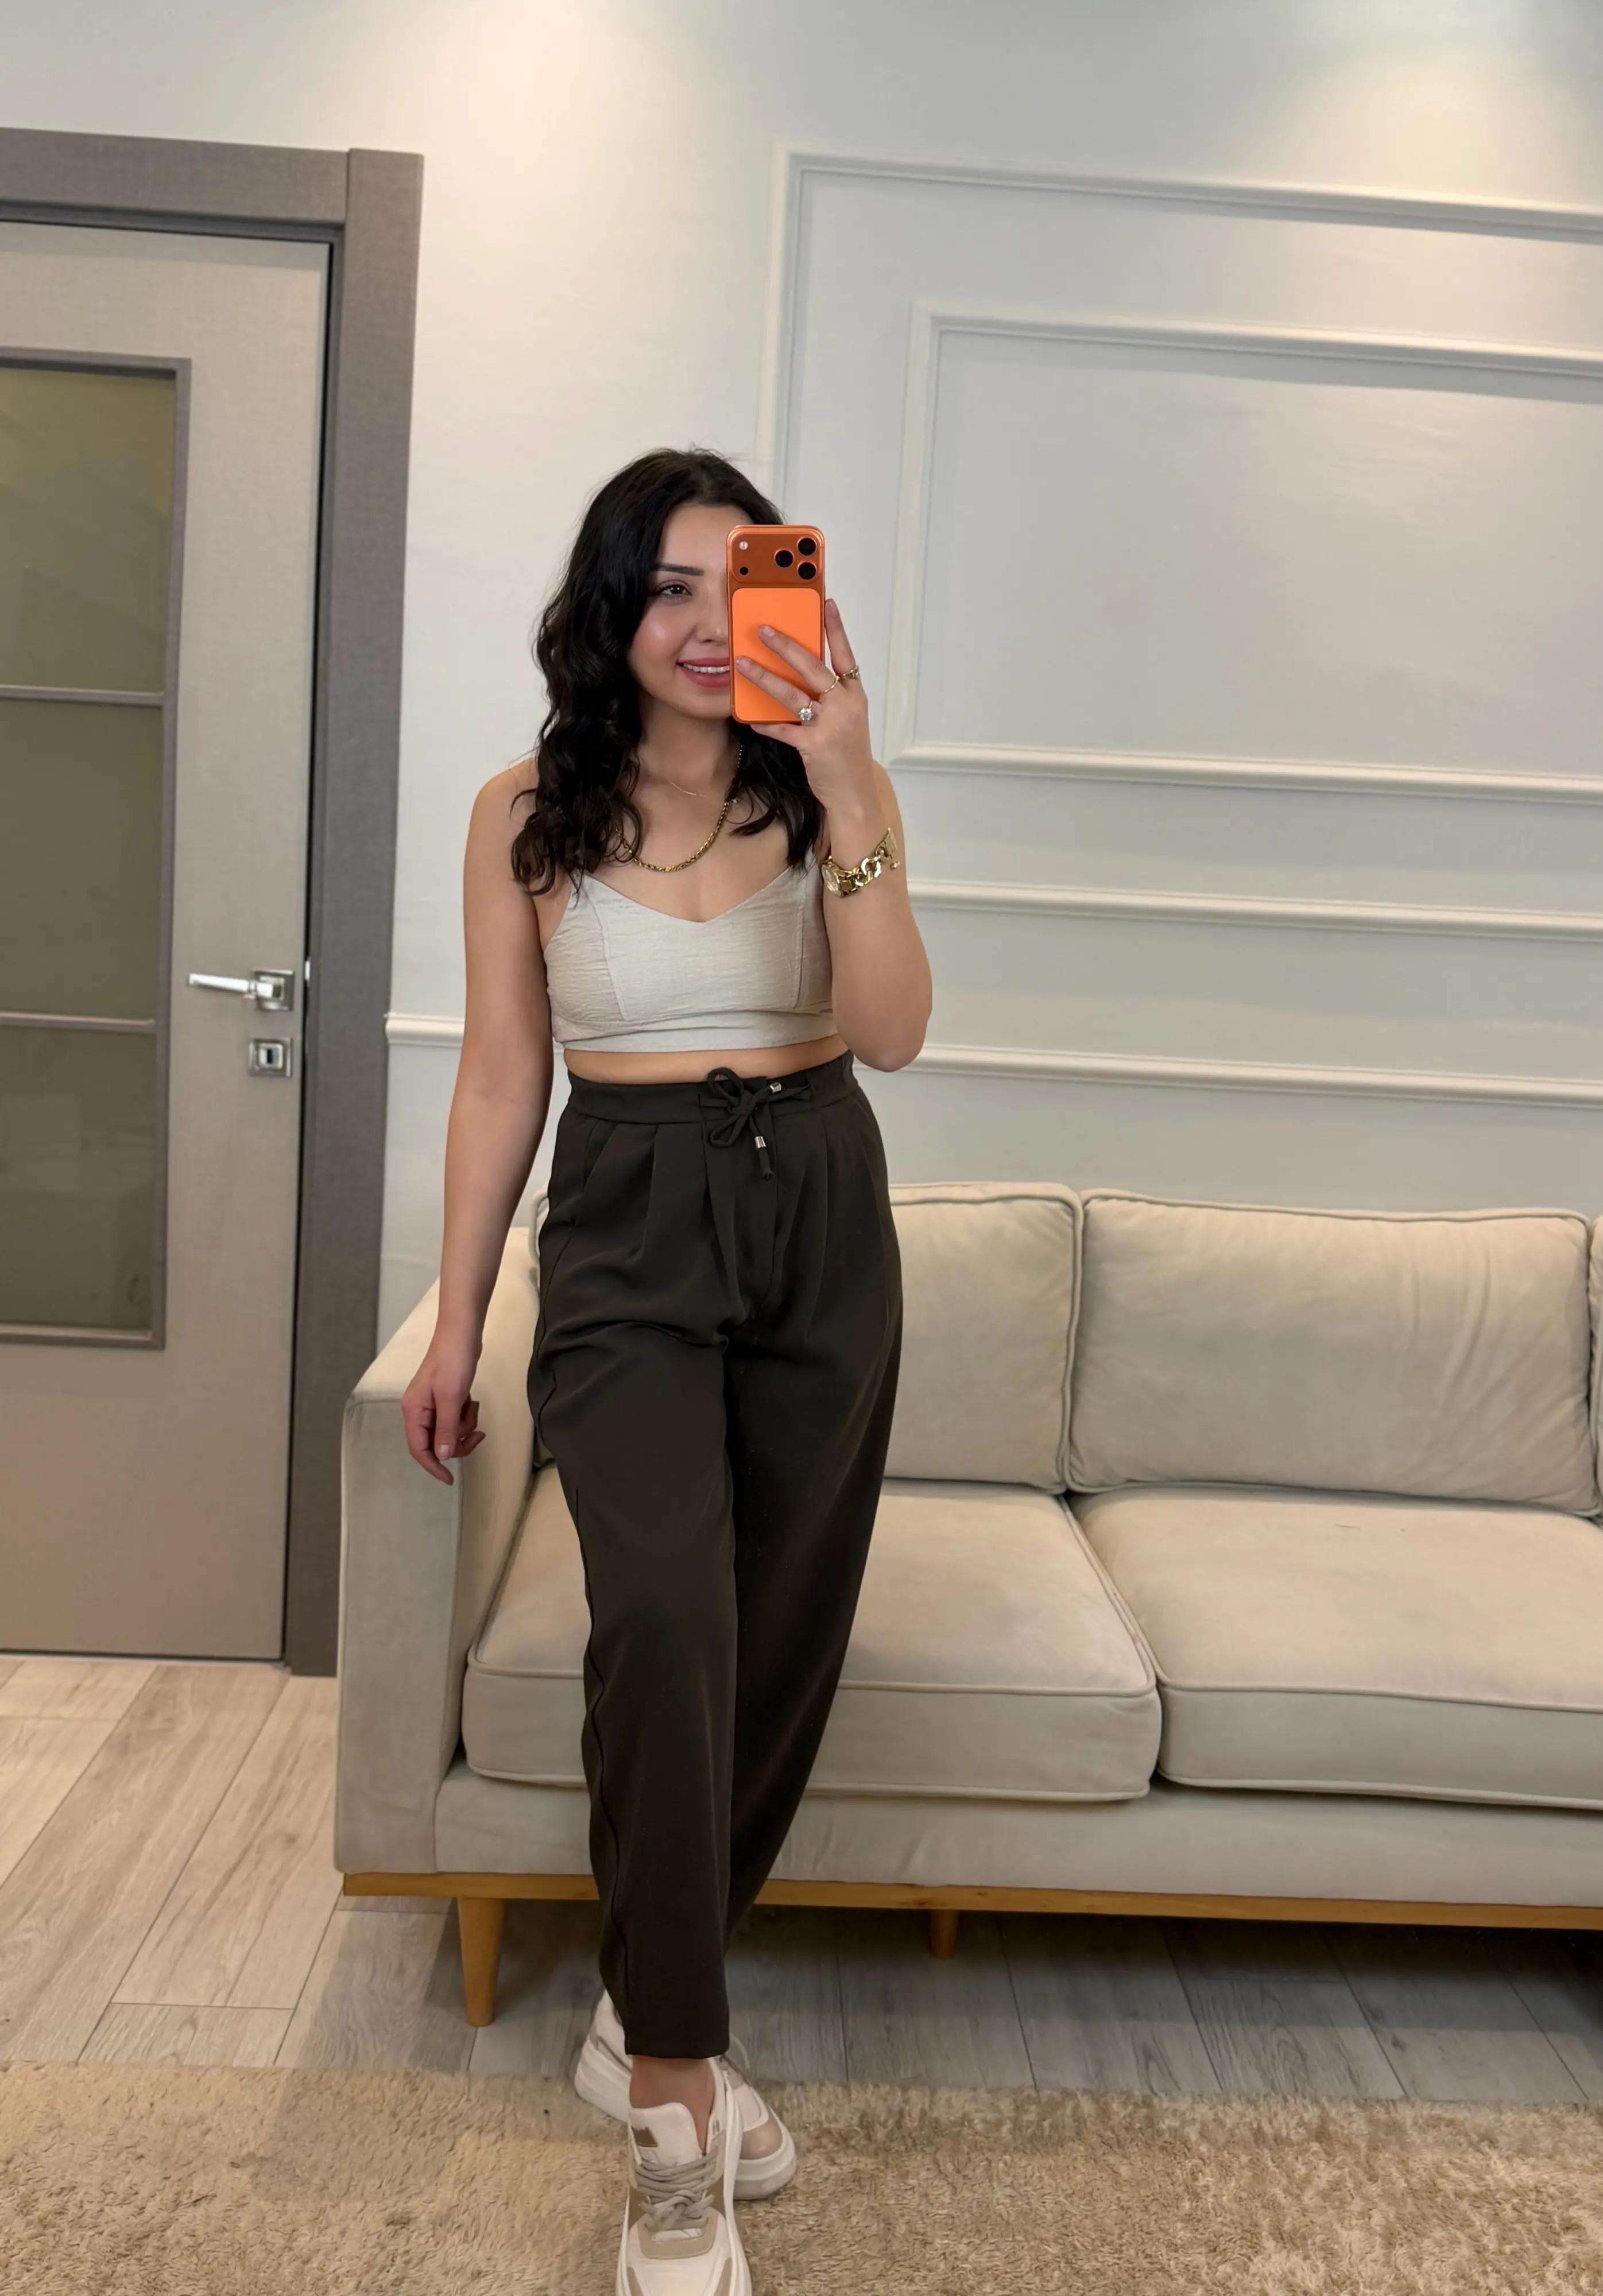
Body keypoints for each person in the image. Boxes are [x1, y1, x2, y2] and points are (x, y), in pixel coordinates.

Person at [401, 447, 931, 2295]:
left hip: (821, 1214)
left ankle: (642, 2006)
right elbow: (500, 1078)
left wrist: (850, 776)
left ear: (796, 600)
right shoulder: (525, 813)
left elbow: (894, 1031)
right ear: (612, 609)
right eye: (670, 588)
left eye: (743, 583)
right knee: (662, 1623)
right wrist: (456, 1318)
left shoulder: (827, 790)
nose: (709, 627)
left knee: (778, 1639)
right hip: (627, 1228)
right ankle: (675, 2118)